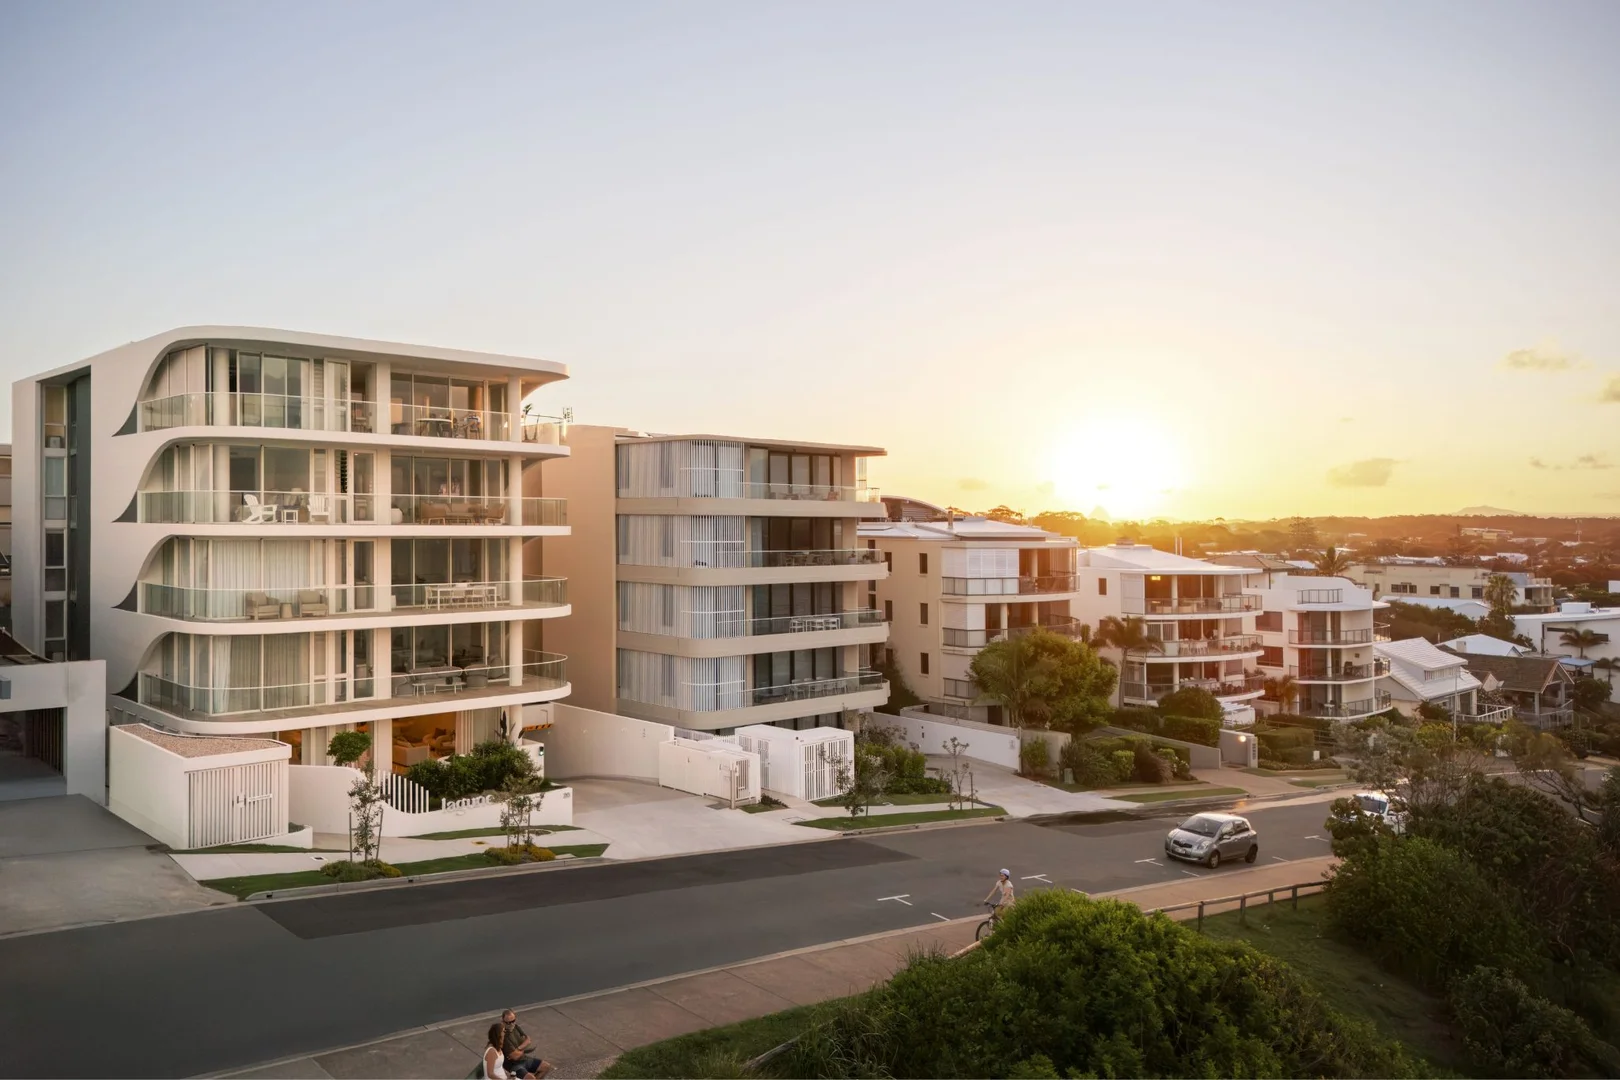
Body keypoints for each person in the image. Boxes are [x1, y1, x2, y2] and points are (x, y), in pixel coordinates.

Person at [499, 1010, 552, 1079]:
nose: (512, 1024)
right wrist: (523, 1047)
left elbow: (528, 1039)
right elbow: (515, 1057)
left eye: (513, 1021)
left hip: (524, 1059)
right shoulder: (503, 1036)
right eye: (508, 1023)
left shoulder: (516, 1027)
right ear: (503, 1021)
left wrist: (518, 1049)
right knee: (531, 1078)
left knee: (546, 1066)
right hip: (513, 1065)